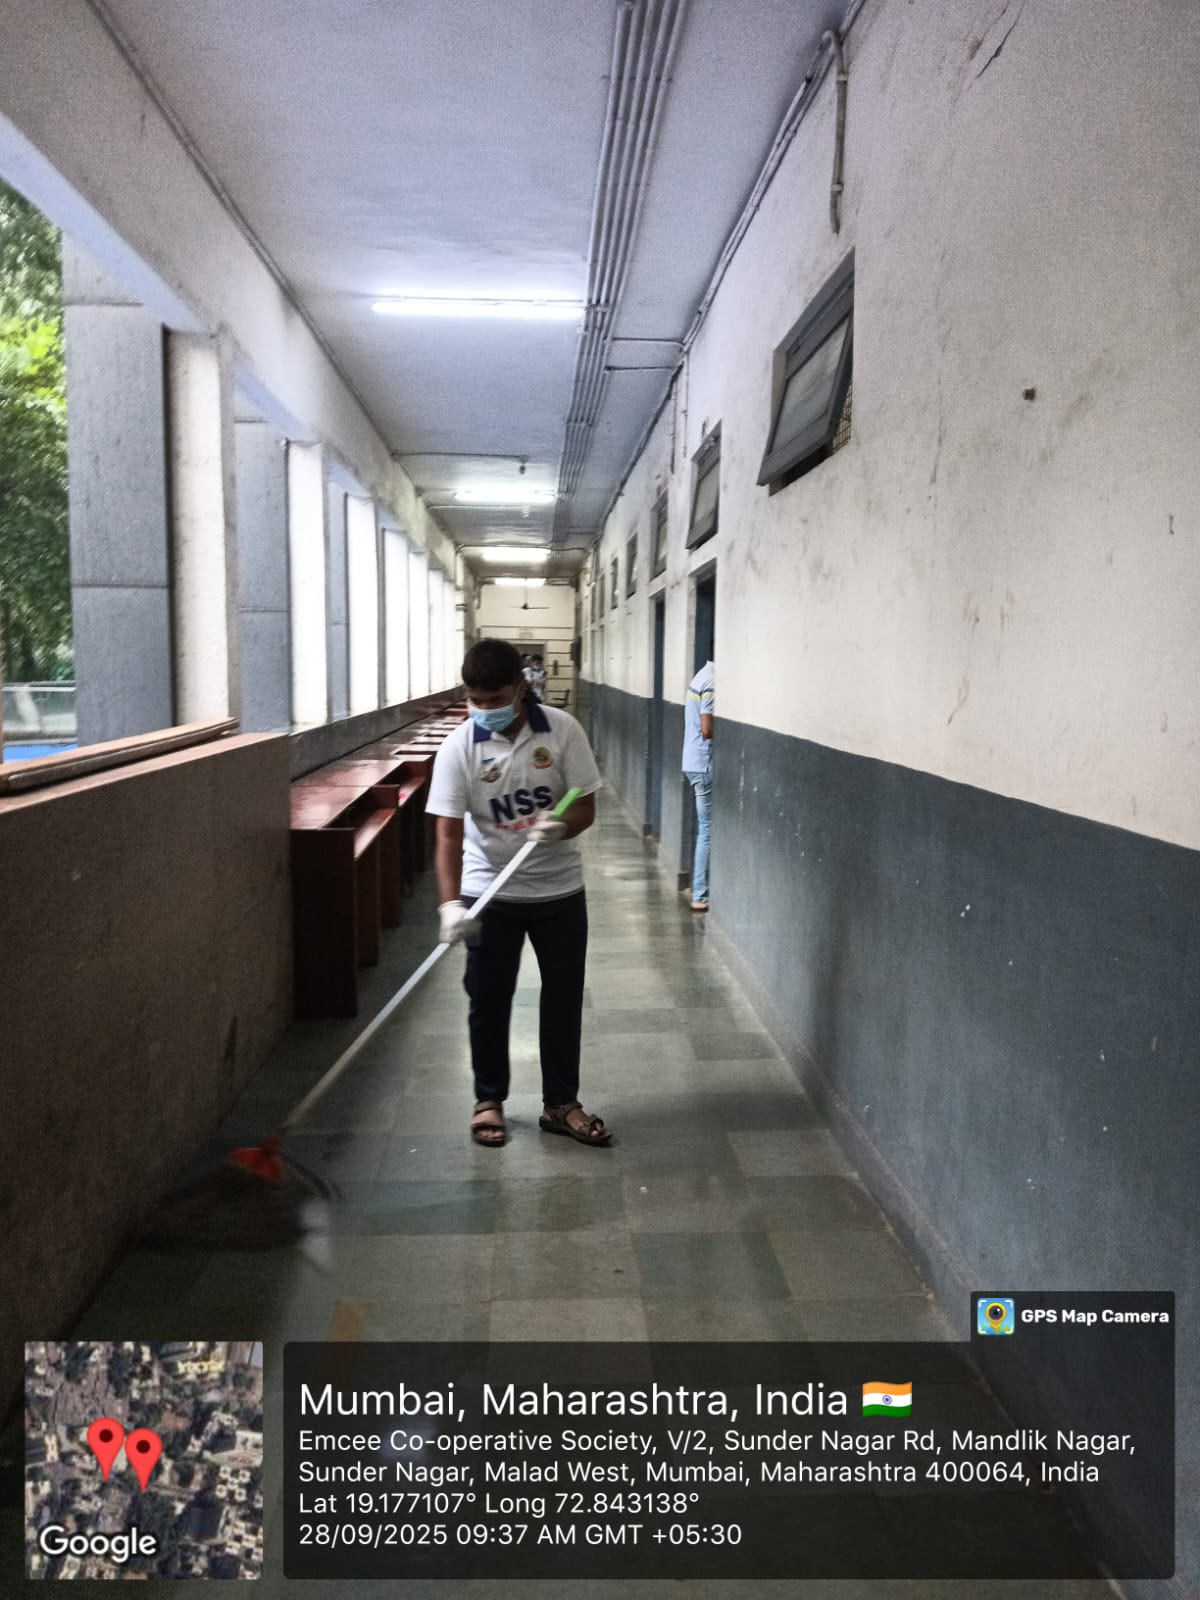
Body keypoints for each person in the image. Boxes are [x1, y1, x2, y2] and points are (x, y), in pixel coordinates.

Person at [427, 638, 610, 1148]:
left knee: (563, 996)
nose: (484, 709)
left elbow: (585, 806)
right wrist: (450, 904)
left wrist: (562, 826)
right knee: (488, 999)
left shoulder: (563, 731)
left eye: (495, 699)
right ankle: (488, 1099)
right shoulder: (459, 747)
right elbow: (447, 834)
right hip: (488, 893)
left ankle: (560, 1103)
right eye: (475, 699)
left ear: (520, 688)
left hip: (559, 892)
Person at [682, 657, 714, 911]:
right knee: (707, 829)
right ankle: (700, 894)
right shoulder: (712, 682)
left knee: (704, 827)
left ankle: (698, 887)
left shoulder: (701, 675)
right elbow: (706, 728)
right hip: (703, 764)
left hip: (692, 761)